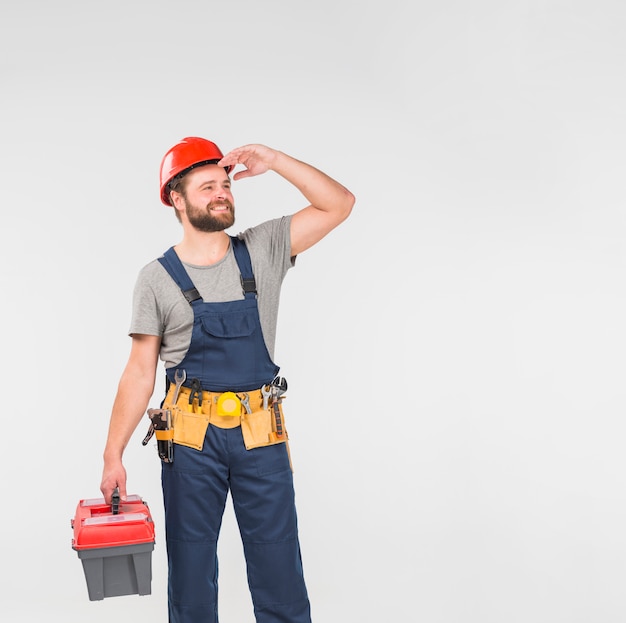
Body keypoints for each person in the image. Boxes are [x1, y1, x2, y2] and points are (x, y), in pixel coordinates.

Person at [99, 137, 355, 623]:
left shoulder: (263, 249)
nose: (222, 193)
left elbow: (339, 204)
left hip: (261, 433)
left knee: (279, 569)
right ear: (177, 199)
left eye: (225, 184)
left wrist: (275, 160)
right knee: (191, 578)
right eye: (207, 186)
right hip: (190, 440)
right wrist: (113, 453)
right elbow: (139, 371)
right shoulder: (155, 278)